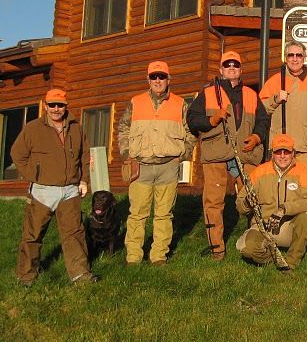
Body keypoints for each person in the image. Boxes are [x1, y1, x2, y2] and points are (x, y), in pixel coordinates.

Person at [12, 89, 98, 285]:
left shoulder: (77, 128)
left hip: (70, 191)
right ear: (46, 106)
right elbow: (17, 154)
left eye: (60, 105)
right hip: (42, 191)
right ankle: (26, 276)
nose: (56, 109)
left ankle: (80, 275)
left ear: (66, 106)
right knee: (32, 235)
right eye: (52, 105)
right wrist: (34, 175)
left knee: (74, 234)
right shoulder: (33, 128)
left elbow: (85, 156)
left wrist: (84, 180)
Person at [187, 51, 267, 260]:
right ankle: (217, 250)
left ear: (241, 70)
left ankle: (256, 244)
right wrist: (211, 120)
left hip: (246, 153)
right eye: (227, 65)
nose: (232, 68)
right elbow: (192, 120)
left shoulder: (251, 94)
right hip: (216, 154)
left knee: (253, 198)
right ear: (221, 70)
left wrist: (257, 137)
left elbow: (263, 121)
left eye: (235, 65)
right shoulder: (207, 93)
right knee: (213, 202)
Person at [117, 61, 194, 266]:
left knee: (164, 214)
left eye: (161, 76)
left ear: (169, 79)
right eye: (154, 77)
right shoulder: (135, 102)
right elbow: (123, 128)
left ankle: (158, 256)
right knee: (137, 214)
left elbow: (190, 132)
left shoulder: (180, 103)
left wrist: (183, 155)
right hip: (140, 166)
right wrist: (127, 155)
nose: (158, 80)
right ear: (148, 79)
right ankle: (133, 257)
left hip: (168, 166)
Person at [235, 133, 307, 270]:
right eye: (278, 152)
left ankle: (291, 263)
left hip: (288, 228)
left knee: (306, 219)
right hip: (263, 227)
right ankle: (273, 259)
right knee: (247, 249)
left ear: (293, 153)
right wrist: (248, 203)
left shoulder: (303, 172)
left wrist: (284, 209)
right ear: (272, 154)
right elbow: (239, 205)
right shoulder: (259, 172)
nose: (282, 156)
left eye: (286, 152)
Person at [259, 41, 307, 171]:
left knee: (306, 182)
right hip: (281, 149)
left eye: (298, 55)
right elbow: (261, 111)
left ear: (304, 57)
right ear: (286, 58)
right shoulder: (274, 81)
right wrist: (275, 99)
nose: (295, 59)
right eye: (291, 55)